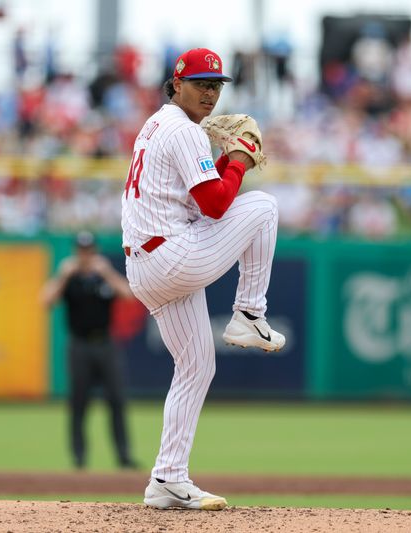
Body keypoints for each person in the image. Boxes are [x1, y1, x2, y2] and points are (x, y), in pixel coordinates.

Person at [121, 47, 286, 511]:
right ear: (176, 84)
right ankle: (250, 313)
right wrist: (237, 160)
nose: (210, 93)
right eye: (200, 84)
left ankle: (167, 479)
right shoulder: (182, 128)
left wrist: (224, 163)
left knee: (196, 366)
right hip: (171, 257)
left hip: (147, 264)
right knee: (264, 207)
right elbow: (217, 205)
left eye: (216, 85)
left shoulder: (157, 125)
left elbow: (200, 203)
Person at [41, 231, 138, 471]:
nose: (85, 256)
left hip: (105, 343)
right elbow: (45, 301)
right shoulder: (70, 278)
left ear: (95, 252)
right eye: (81, 251)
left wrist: (107, 272)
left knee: (116, 400)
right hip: (80, 345)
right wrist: (62, 275)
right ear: (76, 252)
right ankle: (79, 458)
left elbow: (129, 296)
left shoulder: (103, 276)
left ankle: (123, 456)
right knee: (79, 403)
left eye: (89, 251)